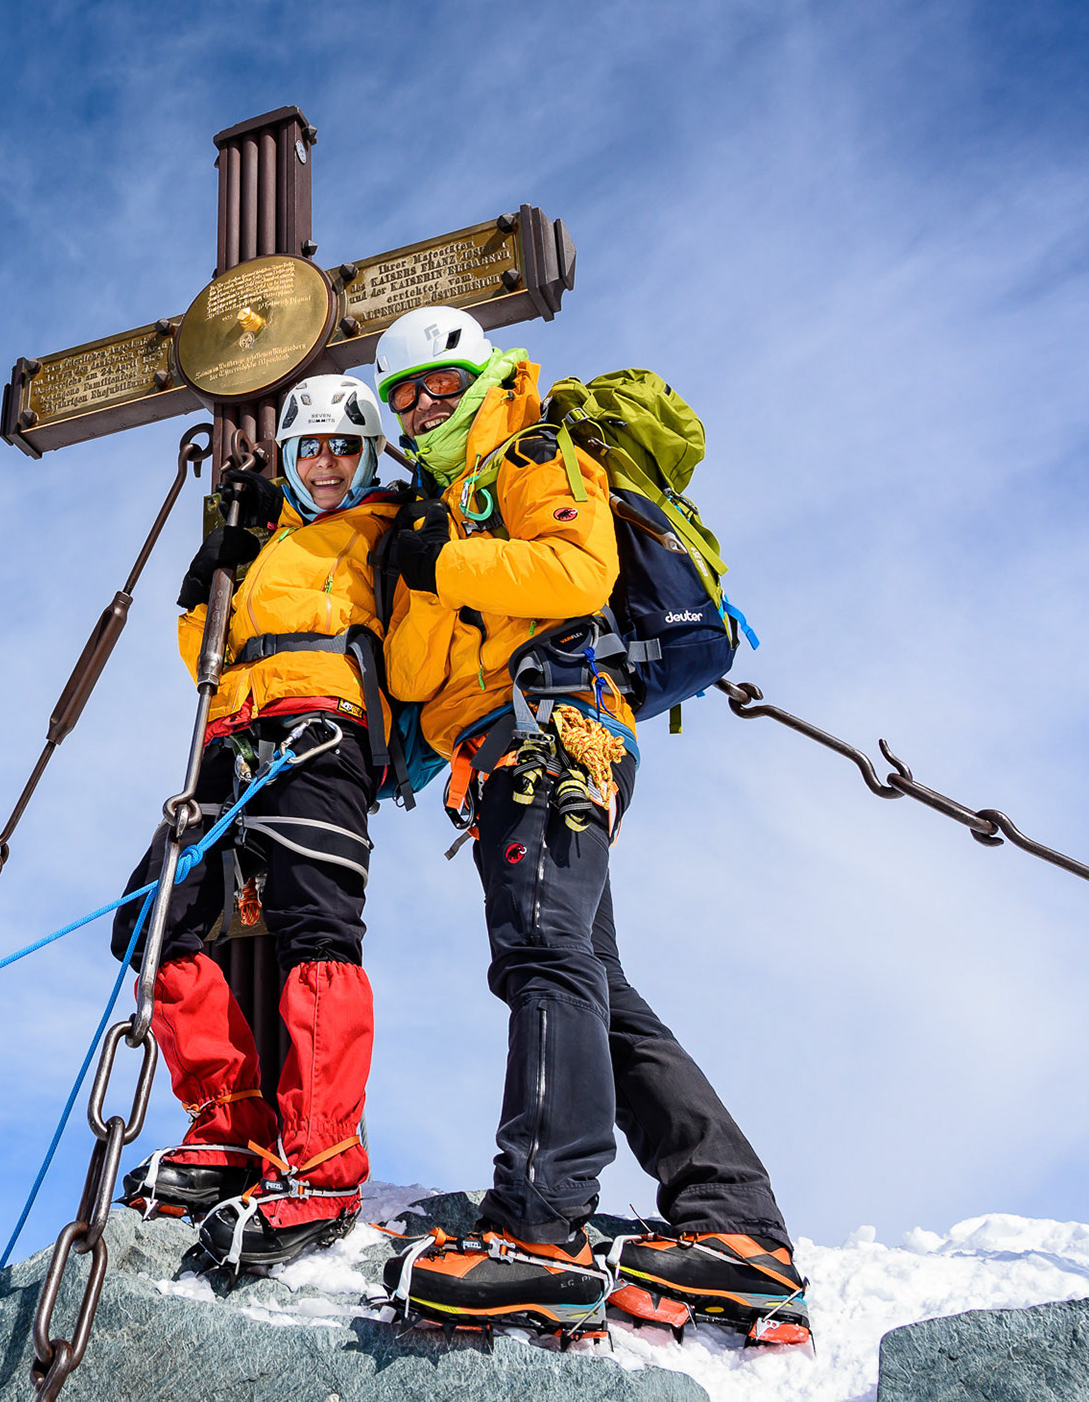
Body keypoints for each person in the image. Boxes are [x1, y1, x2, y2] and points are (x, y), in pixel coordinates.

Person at [375, 305, 806, 1341]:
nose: (423, 408)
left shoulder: (532, 455)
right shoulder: (447, 508)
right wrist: (429, 570)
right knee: (588, 975)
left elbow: (580, 573)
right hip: (501, 755)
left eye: (440, 386)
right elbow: (415, 677)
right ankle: (733, 1219)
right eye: (403, 396)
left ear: (482, 378)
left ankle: (539, 1224)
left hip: (556, 737)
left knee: (544, 955)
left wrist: (447, 566)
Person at [113, 373, 400, 1269]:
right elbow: (204, 654)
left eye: (344, 447)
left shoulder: (393, 526)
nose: (325, 464)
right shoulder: (266, 540)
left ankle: (320, 1157)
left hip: (323, 730)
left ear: (369, 456)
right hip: (233, 734)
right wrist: (206, 588)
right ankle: (231, 1121)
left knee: (318, 930)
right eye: (310, 448)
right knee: (151, 920)